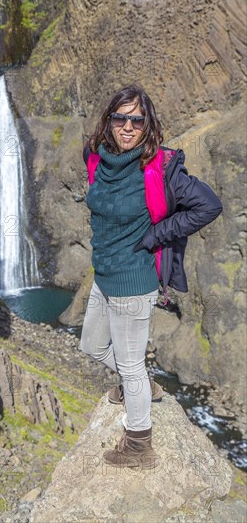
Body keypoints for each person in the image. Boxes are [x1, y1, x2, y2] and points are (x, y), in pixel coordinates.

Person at [80, 84, 223, 470]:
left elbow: (209, 205)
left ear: (148, 125)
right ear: (109, 121)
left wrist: (156, 235)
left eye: (137, 120)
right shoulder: (97, 156)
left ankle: (139, 445)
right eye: (120, 117)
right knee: (91, 346)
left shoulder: (160, 168)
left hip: (134, 281)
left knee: (129, 366)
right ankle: (140, 383)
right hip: (104, 273)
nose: (128, 126)